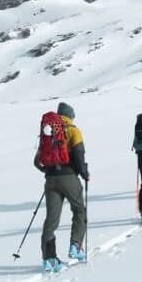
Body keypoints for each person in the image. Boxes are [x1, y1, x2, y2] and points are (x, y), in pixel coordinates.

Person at [35, 101, 89, 272]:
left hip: (50, 180)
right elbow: (79, 157)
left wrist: (49, 170)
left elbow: (36, 162)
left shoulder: (48, 131)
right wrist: (84, 174)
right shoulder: (73, 130)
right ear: (70, 115)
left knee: (51, 220)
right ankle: (75, 246)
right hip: (69, 177)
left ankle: (49, 259)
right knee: (79, 210)